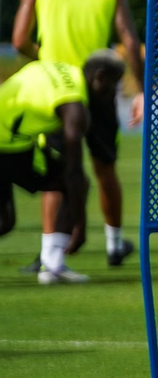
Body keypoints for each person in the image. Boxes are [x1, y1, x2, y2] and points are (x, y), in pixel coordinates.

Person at [11, 0, 145, 267]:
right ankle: (114, 244)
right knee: (105, 167)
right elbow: (129, 41)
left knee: (56, 170)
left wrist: (41, 56)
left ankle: (49, 252)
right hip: (98, 86)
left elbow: (18, 40)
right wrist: (142, 90)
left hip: (55, 89)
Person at [0, 60, 90, 284]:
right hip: (9, 146)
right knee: (70, 181)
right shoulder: (71, 93)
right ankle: (52, 264)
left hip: (16, 146)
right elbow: (74, 171)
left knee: (5, 221)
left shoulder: (61, 73)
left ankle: (52, 265)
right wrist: (80, 223)